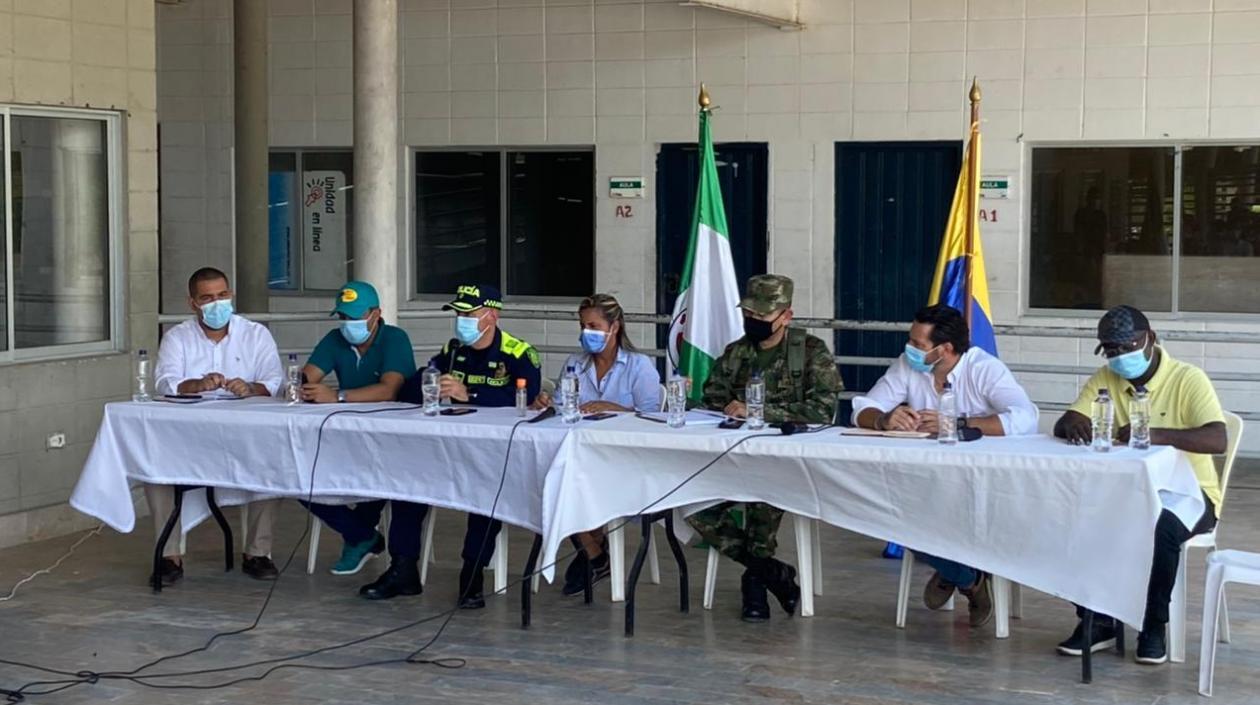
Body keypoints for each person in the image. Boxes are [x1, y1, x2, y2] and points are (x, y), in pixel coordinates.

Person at [1053, 305, 1226, 665]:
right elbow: (1071, 417)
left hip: (1190, 494)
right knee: (1069, 516)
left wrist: (1154, 434)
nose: (1120, 356)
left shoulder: (1187, 378)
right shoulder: (1105, 379)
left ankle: (1153, 626)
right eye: (1111, 350)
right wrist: (1070, 424)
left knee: (1160, 529)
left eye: (1128, 346)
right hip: (1123, 493)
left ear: (1151, 339)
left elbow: (1217, 439)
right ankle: (1098, 619)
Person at [851, 303, 1039, 628]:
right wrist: (883, 419)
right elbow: (863, 407)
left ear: (946, 349)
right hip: (923, 480)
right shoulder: (909, 367)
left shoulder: (984, 369)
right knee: (889, 515)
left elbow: (1025, 417)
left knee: (942, 522)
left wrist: (958, 422)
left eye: (918, 345)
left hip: (980, 484)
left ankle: (953, 569)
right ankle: (969, 580)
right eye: (910, 342)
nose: (909, 350)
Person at [687, 274, 844, 622]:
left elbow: (822, 410)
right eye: (750, 316)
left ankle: (755, 586)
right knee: (693, 505)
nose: (754, 322)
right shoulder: (737, 353)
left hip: (791, 461)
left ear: (786, 316)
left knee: (762, 500)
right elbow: (711, 400)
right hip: (736, 458)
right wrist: (727, 408)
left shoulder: (810, 351)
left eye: (763, 317)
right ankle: (772, 573)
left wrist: (758, 411)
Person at [399, 283, 542, 609]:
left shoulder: (518, 353)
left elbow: (527, 398)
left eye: (468, 314)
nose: (461, 320)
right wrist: (430, 384)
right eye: (458, 314)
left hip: (494, 454)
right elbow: (411, 389)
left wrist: (469, 394)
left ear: (491, 315)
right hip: (446, 448)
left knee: (486, 497)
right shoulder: (453, 351)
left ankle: (472, 573)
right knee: (407, 480)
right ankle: (403, 566)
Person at [148, 267, 285, 585]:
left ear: (231, 295)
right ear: (192, 302)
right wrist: (195, 384)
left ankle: (258, 552)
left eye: (222, 295)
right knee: (153, 471)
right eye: (207, 298)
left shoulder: (255, 334)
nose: (216, 303)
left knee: (274, 462)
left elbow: (275, 382)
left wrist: (251, 388)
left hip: (247, 435)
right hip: (190, 439)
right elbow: (165, 381)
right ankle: (168, 557)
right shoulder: (177, 337)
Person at [300, 281, 426, 602]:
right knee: (299, 475)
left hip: (396, 438)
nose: (349, 323)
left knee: (390, 482)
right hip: (345, 436)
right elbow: (308, 375)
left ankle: (361, 539)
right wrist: (303, 385)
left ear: (376, 315)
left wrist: (336, 396)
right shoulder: (335, 338)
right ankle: (362, 535)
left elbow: (389, 390)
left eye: (356, 316)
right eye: (343, 315)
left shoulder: (395, 338)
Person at [532, 293, 662, 596]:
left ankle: (591, 553)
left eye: (593, 325)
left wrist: (616, 407)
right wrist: (547, 403)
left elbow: (655, 418)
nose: (585, 332)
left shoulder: (638, 366)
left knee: (576, 483)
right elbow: (565, 405)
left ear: (614, 327)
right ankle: (595, 554)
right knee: (556, 482)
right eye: (582, 325)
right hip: (582, 455)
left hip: (626, 461)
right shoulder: (576, 363)